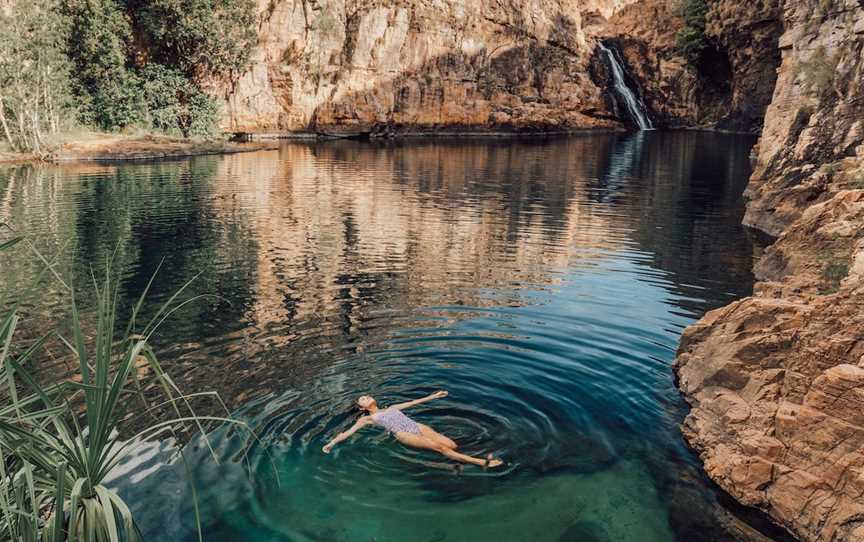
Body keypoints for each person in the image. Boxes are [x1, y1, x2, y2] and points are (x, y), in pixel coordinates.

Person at [322, 390, 503, 468]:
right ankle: (481, 463)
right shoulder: (367, 419)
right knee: (441, 448)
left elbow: (413, 402)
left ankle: (452, 461)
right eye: (363, 399)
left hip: (417, 426)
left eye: (366, 396)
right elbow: (347, 433)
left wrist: (434, 396)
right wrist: (331, 443)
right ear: (362, 408)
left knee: (452, 444)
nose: (367, 397)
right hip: (404, 434)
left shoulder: (390, 408)